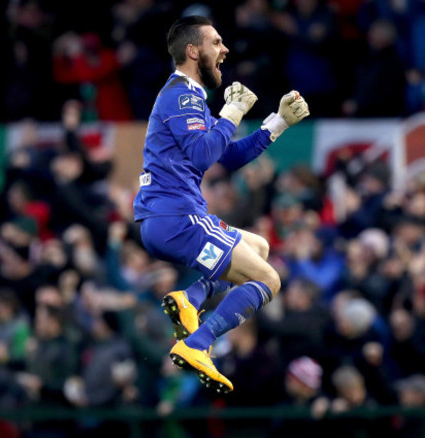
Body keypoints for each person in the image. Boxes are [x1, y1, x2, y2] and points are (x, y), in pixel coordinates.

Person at [132, 15, 310, 393]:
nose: (225, 50)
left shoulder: (188, 97)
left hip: (167, 218)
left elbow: (223, 156)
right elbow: (201, 155)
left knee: (259, 247)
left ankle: (191, 298)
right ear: (193, 51)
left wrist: (276, 123)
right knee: (269, 279)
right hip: (179, 217)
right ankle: (198, 344)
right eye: (216, 43)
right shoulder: (181, 94)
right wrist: (232, 113)